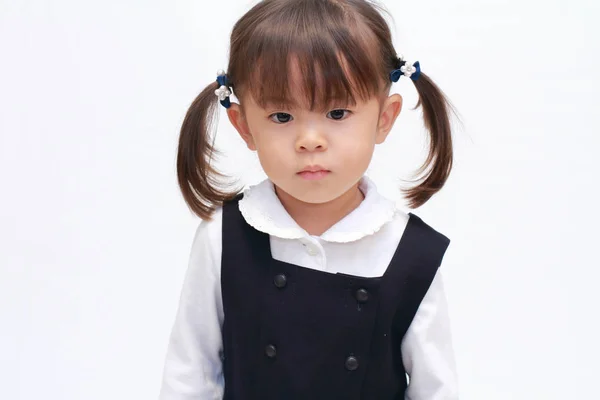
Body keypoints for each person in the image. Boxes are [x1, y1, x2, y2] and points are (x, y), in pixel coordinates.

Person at [160, 0, 459, 399]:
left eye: (337, 113)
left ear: (383, 119)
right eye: (282, 117)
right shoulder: (222, 238)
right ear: (244, 126)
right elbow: (190, 374)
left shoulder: (411, 253)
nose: (310, 140)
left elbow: (435, 389)